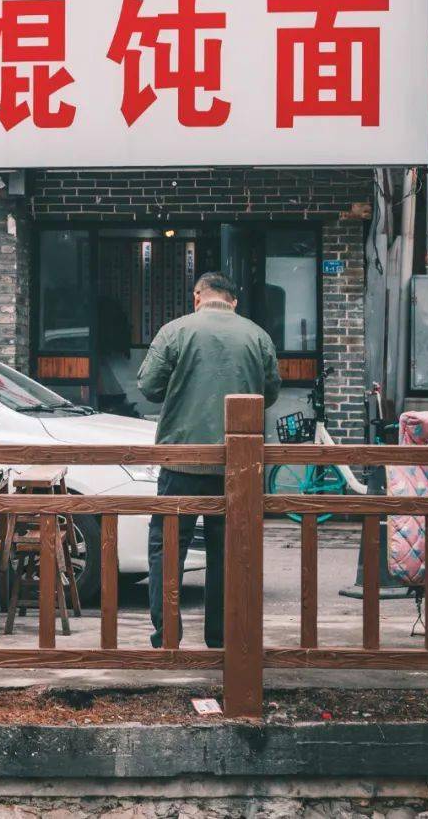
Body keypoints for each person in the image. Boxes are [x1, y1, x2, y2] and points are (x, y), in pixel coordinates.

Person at [137, 270, 280, 649]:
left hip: (181, 461)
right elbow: (271, 393)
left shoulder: (175, 330)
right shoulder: (257, 335)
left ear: (198, 296)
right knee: (228, 552)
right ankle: (220, 637)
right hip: (238, 466)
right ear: (234, 300)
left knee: (167, 548)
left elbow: (149, 387)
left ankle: (167, 635)